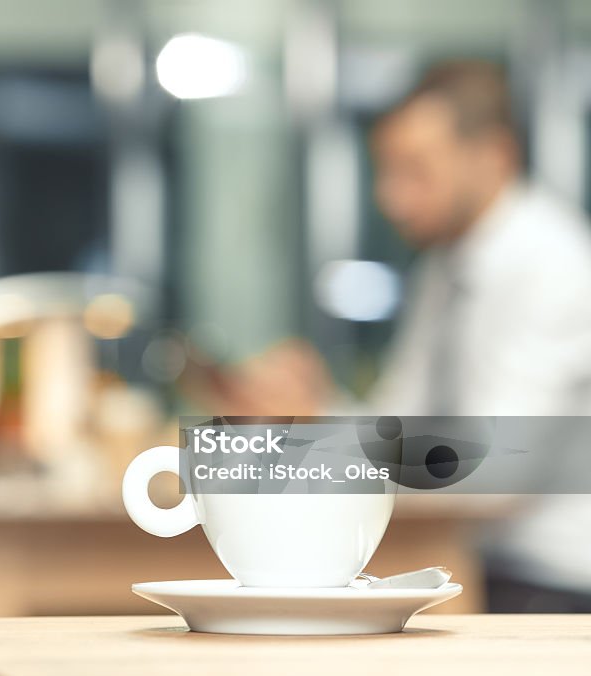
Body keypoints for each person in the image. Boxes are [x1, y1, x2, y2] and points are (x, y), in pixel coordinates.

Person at [201, 61, 591, 611]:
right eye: (387, 171)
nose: (391, 198)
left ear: (494, 155)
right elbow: (398, 422)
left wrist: (320, 439)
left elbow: (498, 470)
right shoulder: (444, 268)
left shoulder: (553, 264)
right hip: (468, 560)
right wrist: (312, 410)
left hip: (550, 584)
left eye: (416, 170)